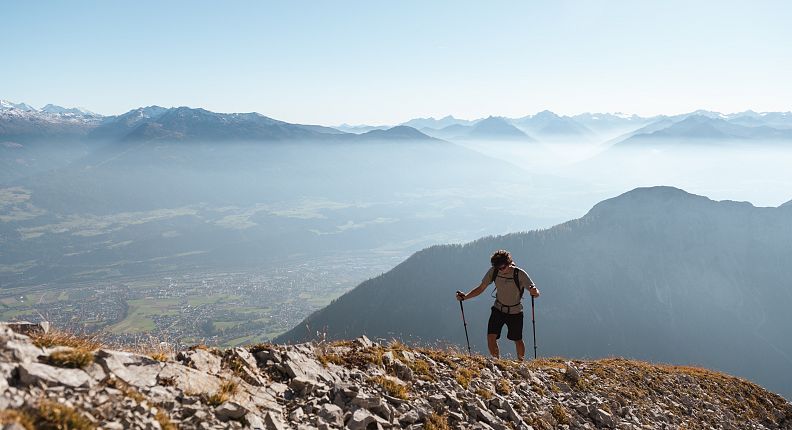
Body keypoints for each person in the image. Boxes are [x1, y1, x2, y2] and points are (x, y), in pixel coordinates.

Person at [456, 249, 539, 360]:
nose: (500, 270)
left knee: (517, 339)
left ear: (509, 263)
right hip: (498, 309)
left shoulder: (519, 273)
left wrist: (535, 292)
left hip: (515, 312)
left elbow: (535, 291)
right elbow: (481, 288)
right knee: (491, 337)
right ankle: (496, 362)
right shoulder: (494, 271)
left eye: (503, 267)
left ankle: (520, 363)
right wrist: (465, 297)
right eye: (498, 267)